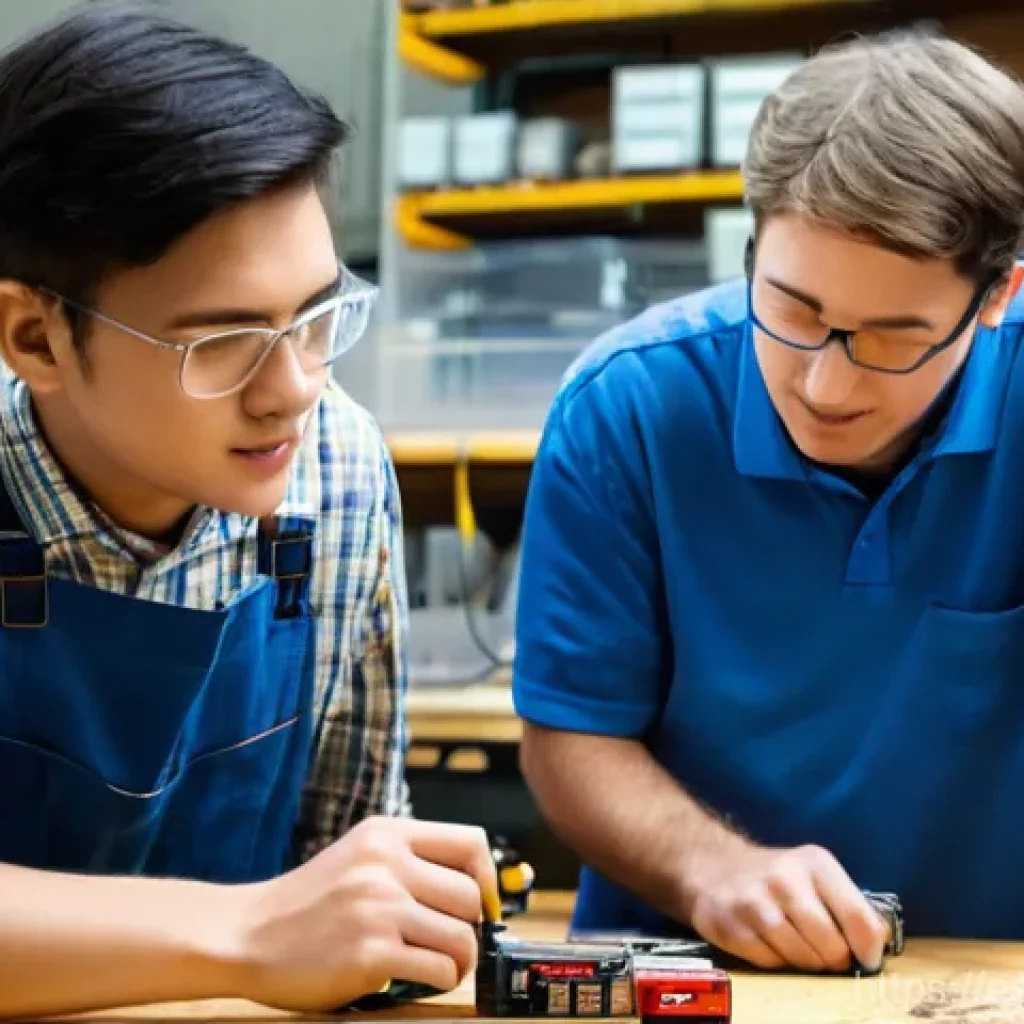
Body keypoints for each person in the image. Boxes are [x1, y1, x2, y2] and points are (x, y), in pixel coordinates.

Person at [0, 3, 498, 1018]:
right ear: (35, 338)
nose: (293, 390)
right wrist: (251, 931)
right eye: (220, 343)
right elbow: (290, 919)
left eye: (317, 317)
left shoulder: (339, 474)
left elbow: (348, 870)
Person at [512, 28, 1024, 977]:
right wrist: (712, 868)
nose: (825, 386)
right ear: (751, 247)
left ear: (998, 296)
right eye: (790, 310)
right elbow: (571, 739)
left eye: (893, 337)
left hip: (989, 977)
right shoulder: (628, 407)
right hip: (689, 974)